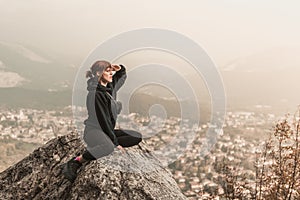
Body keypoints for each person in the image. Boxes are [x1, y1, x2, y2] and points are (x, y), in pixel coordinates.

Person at [62, 60, 142, 182]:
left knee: (136, 136)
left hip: (106, 131)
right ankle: (77, 161)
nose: (111, 74)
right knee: (108, 147)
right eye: (108, 71)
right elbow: (103, 121)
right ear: (99, 73)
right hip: (94, 131)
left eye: (111, 71)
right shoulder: (95, 94)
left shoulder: (109, 88)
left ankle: (104, 143)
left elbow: (122, 75)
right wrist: (115, 143)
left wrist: (118, 68)